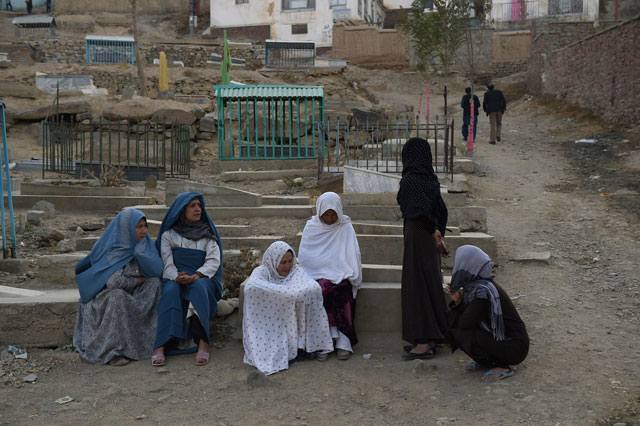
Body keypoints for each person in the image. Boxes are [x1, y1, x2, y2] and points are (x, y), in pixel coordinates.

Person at [73, 208, 163, 366]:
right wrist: (139, 280)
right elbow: (113, 282)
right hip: (106, 298)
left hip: (134, 294)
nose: (143, 231)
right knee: (118, 296)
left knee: (155, 284)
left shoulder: (145, 246)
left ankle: (151, 343)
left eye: (145, 226)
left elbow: (156, 272)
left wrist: (141, 264)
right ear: (127, 229)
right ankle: (114, 351)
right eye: (139, 227)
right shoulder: (115, 251)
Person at [152, 192, 223, 367]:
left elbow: (213, 261)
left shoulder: (207, 234)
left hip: (202, 277)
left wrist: (197, 275)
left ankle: (203, 342)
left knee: (199, 288)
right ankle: (161, 345)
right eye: (192, 206)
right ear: (181, 210)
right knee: (170, 291)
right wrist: (176, 277)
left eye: (199, 205)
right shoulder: (169, 235)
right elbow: (166, 262)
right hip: (176, 277)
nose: (198, 209)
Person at [243, 241, 334, 375]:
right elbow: (251, 287)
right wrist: (285, 293)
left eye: (289, 261)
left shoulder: (295, 270)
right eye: (283, 262)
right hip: (272, 319)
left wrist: (291, 295)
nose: (287, 266)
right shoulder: (263, 271)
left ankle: (305, 344)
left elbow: (312, 287)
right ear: (273, 260)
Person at [397, 138, 450, 360]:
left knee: (417, 287)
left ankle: (423, 342)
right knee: (430, 285)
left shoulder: (410, 180)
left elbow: (414, 209)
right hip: (428, 239)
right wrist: (437, 231)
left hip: (418, 237)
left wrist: (430, 229)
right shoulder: (431, 180)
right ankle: (431, 337)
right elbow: (439, 211)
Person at [446, 245, 529, 382]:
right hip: (510, 345)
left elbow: (465, 322)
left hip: (515, 348)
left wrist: (459, 302)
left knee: (461, 331)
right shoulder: (476, 287)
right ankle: (488, 361)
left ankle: (501, 366)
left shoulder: (482, 291)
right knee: (460, 328)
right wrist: (459, 301)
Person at [298, 192, 362, 361]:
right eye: (326, 214)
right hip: (316, 274)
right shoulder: (312, 227)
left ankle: (343, 342)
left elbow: (351, 254)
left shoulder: (345, 226)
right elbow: (306, 258)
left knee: (341, 289)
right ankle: (323, 343)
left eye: (334, 214)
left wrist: (341, 272)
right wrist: (323, 272)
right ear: (319, 212)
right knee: (321, 289)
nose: (330, 218)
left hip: (341, 272)